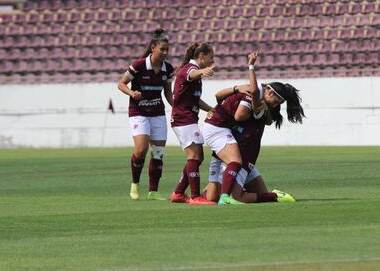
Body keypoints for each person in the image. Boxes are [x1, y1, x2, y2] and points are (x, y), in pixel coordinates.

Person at [203, 51, 304, 205]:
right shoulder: (256, 99)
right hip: (232, 147)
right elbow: (225, 98)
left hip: (245, 156)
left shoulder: (260, 106)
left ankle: (275, 196)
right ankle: (214, 195)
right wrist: (237, 87)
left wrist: (250, 67)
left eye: (278, 104)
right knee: (215, 196)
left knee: (245, 195)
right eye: (276, 101)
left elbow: (251, 105)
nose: (275, 105)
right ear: (269, 91)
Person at [118, 29, 174, 201]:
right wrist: (132, 93)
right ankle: (135, 184)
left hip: (157, 113)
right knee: (141, 149)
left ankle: (153, 191)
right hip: (139, 112)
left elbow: (167, 93)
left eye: (167, 50)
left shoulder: (168, 68)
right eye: (162, 49)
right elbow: (121, 84)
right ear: (153, 47)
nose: (165, 53)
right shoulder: (139, 65)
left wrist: (176, 108)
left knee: (158, 153)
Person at [170, 42, 216, 205]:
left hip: (186, 119)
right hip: (183, 120)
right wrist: (202, 71)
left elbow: (195, 99)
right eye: (211, 57)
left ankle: (178, 193)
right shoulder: (189, 69)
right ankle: (195, 196)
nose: (212, 61)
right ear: (201, 56)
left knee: (197, 156)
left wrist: (211, 109)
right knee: (195, 155)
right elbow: (191, 74)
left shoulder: (194, 73)